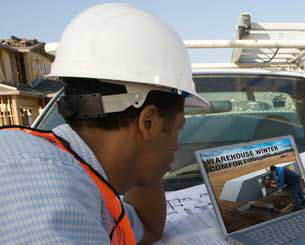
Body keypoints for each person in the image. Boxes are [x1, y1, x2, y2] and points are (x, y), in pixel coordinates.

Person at [0, 3, 210, 244]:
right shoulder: (38, 189)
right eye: (178, 129)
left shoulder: (82, 181)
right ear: (148, 122)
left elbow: (147, 227)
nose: (176, 145)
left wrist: (150, 161)